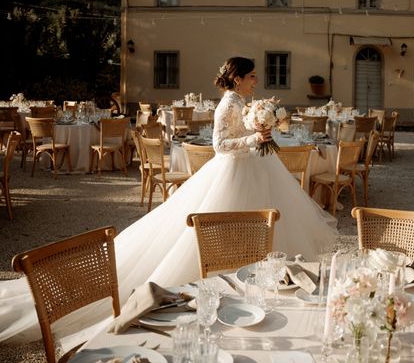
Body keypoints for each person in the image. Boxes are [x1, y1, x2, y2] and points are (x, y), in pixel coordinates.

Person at [0, 56, 338, 347]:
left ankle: (257, 293)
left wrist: (259, 133)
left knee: (264, 231)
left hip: (255, 168)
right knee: (218, 234)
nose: (256, 82)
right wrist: (255, 135)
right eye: (252, 77)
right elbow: (220, 145)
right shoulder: (227, 103)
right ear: (238, 78)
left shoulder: (240, 103)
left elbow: (241, 138)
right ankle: (231, 293)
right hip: (233, 174)